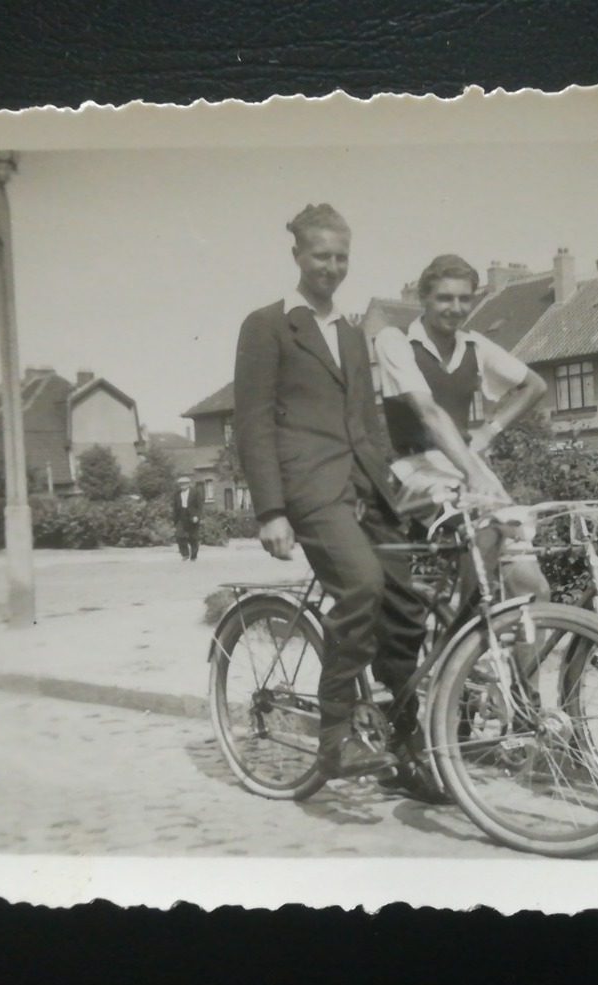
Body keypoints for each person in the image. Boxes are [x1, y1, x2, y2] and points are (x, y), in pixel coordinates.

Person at [233, 203, 437, 800]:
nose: (332, 266)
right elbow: (252, 423)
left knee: (404, 603)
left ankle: (406, 751)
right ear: (297, 255)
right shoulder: (267, 325)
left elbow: (366, 422)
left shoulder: (351, 331)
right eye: (321, 255)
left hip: (363, 481)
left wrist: (398, 483)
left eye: (341, 256)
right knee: (362, 587)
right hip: (308, 486)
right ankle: (334, 736)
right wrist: (271, 510)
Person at [374, 253, 551, 608]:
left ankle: (498, 652)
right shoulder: (396, 341)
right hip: (416, 470)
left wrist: (490, 431)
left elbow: (534, 385)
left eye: (464, 298)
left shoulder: (475, 345)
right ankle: (463, 646)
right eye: (444, 298)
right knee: (483, 533)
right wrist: (473, 471)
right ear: (424, 298)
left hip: (466, 467)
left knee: (531, 588)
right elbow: (428, 412)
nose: (455, 307)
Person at [170, 475, 203, 561]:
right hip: (181, 515)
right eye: (181, 484)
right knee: (179, 536)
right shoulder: (177, 494)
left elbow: (200, 506)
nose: (182, 486)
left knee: (193, 537)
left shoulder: (195, 493)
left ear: (188, 484)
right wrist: (174, 519)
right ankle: (185, 554)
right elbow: (175, 507)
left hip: (192, 516)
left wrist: (197, 516)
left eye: (184, 484)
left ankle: (194, 556)